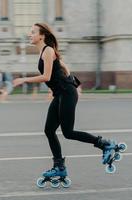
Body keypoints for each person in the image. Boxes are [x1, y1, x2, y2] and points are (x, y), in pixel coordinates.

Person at [13, 23, 125, 178]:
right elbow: (65, 69)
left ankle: (105, 144)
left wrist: (24, 79)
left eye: (32, 32)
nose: (29, 34)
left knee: (68, 132)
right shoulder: (47, 52)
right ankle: (59, 166)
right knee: (49, 130)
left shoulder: (48, 51)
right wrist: (65, 85)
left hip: (66, 94)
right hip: (62, 93)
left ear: (42, 36)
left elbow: (46, 76)